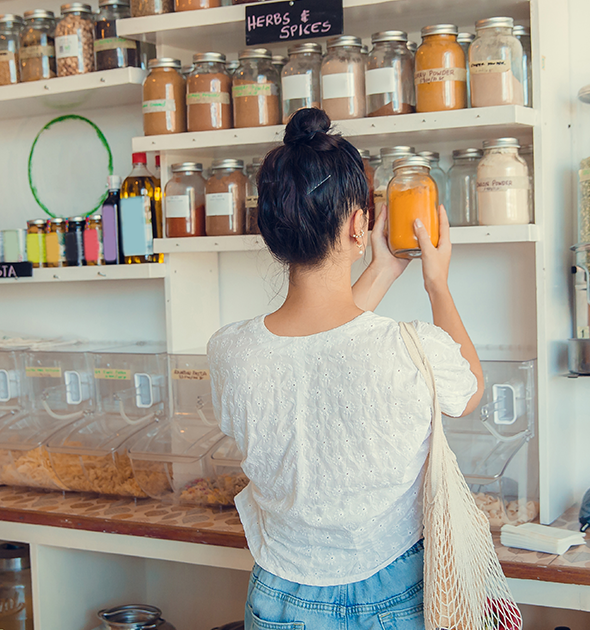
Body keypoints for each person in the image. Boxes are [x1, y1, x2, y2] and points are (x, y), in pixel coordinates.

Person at [207, 108, 485, 630]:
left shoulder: (229, 351)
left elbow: (321, 345)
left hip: (278, 593)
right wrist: (436, 283)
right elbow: (469, 388)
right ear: (361, 224)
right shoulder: (410, 349)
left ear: (270, 231)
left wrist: (381, 269)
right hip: (392, 590)